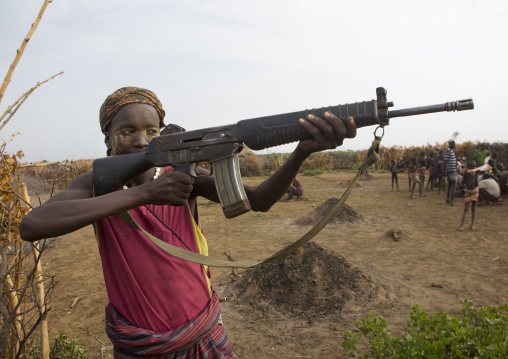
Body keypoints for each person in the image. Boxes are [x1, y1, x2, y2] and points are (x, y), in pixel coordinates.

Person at [19, 86, 357, 358]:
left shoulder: (182, 177)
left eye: (152, 130)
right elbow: (32, 225)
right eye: (127, 131)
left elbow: (260, 200)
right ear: (108, 139)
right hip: (145, 348)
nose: (141, 139)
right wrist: (145, 194)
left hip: (205, 334)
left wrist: (301, 152)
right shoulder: (97, 183)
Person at [458, 160, 479, 231]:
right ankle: (472, 225)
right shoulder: (475, 173)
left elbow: (463, 182)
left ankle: (462, 225)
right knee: (473, 209)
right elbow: (476, 183)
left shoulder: (465, 173)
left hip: (467, 191)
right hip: (474, 192)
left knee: (466, 209)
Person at [444, 140, 458, 205]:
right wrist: (445, 170)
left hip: (451, 170)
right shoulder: (448, 150)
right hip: (451, 170)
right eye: (453, 144)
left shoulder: (450, 150)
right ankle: (451, 201)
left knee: (450, 185)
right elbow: (445, 160)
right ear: (450, 144)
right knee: (453, 185)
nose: (454, 145)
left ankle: (447, 200)